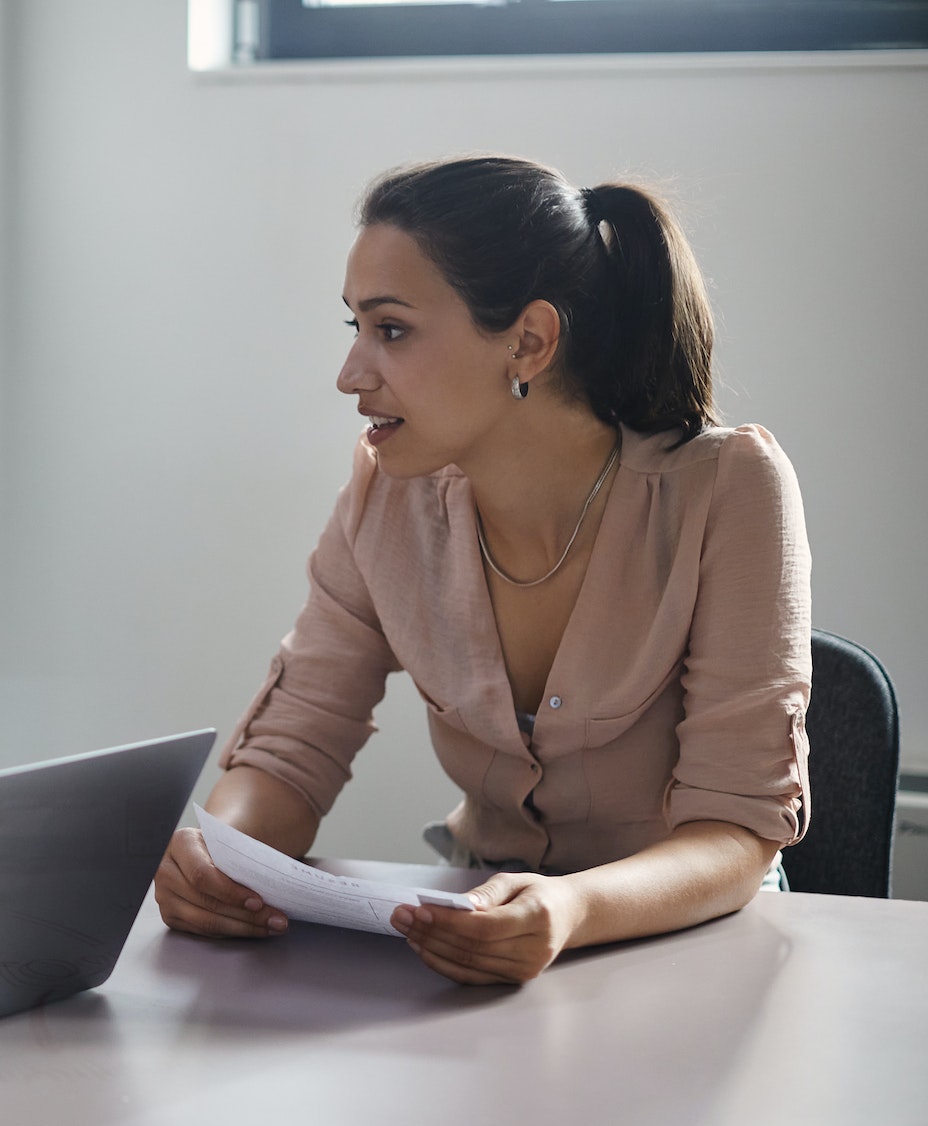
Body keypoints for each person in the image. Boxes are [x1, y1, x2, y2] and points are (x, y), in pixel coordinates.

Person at [154, 156, 810, 986]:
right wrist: (220, 851)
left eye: (390, 330)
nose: (351, 374)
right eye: (353, 329)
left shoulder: (729, 488)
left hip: (695, 954)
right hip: (479, 952)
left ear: (530, 341)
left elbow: (737, 833)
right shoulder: (384, 494)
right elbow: (292, 750)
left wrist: (570, 910)